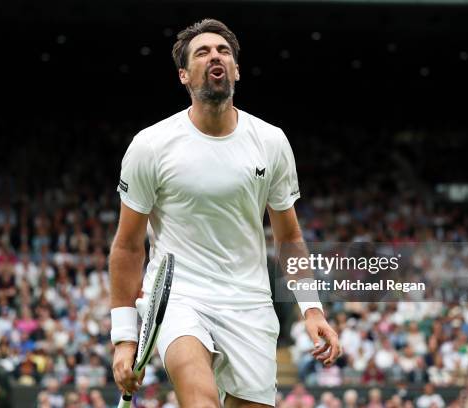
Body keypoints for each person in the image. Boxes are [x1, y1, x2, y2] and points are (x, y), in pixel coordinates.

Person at [110, 18, 340, 408]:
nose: (214, 56)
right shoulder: (150, 146)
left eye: (223, 51)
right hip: (180, 297)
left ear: (235, 69)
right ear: (184, 75)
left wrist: (312, 307)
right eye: (202, 52)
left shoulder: (271, 142)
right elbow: (129, 247)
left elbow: (289, 238)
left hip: (250, 305)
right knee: (200, 400)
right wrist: (123, 338)